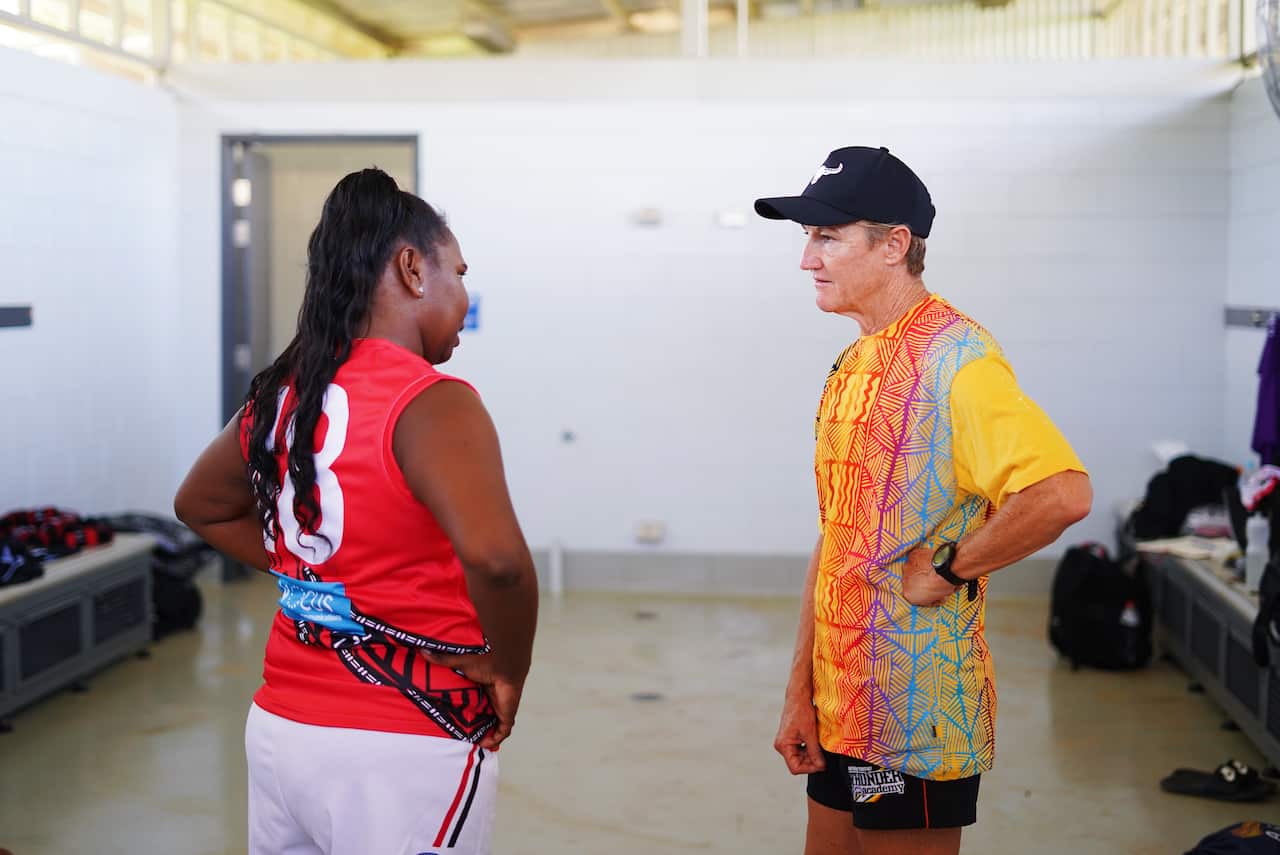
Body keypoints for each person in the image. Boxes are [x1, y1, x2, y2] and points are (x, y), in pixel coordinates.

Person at [174, 168, 538, 855]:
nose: (464, 298)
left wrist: (311, 576)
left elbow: (201, 505)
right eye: (456, 273)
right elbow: (500, 562)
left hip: (282, 728)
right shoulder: (435, 399)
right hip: (404, 741)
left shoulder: (285, 390)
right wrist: (506, 665)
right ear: (411, 269)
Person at [755, 146, 1092, 855]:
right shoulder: (853, 361)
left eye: (827, 236)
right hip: (840, 704)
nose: (806, 259)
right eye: (807, 237)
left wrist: (946, 567)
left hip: (915, 717)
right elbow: (838, 536)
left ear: (894, 245)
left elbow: (1061, 493)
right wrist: (800, 692)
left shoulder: (958, 359)